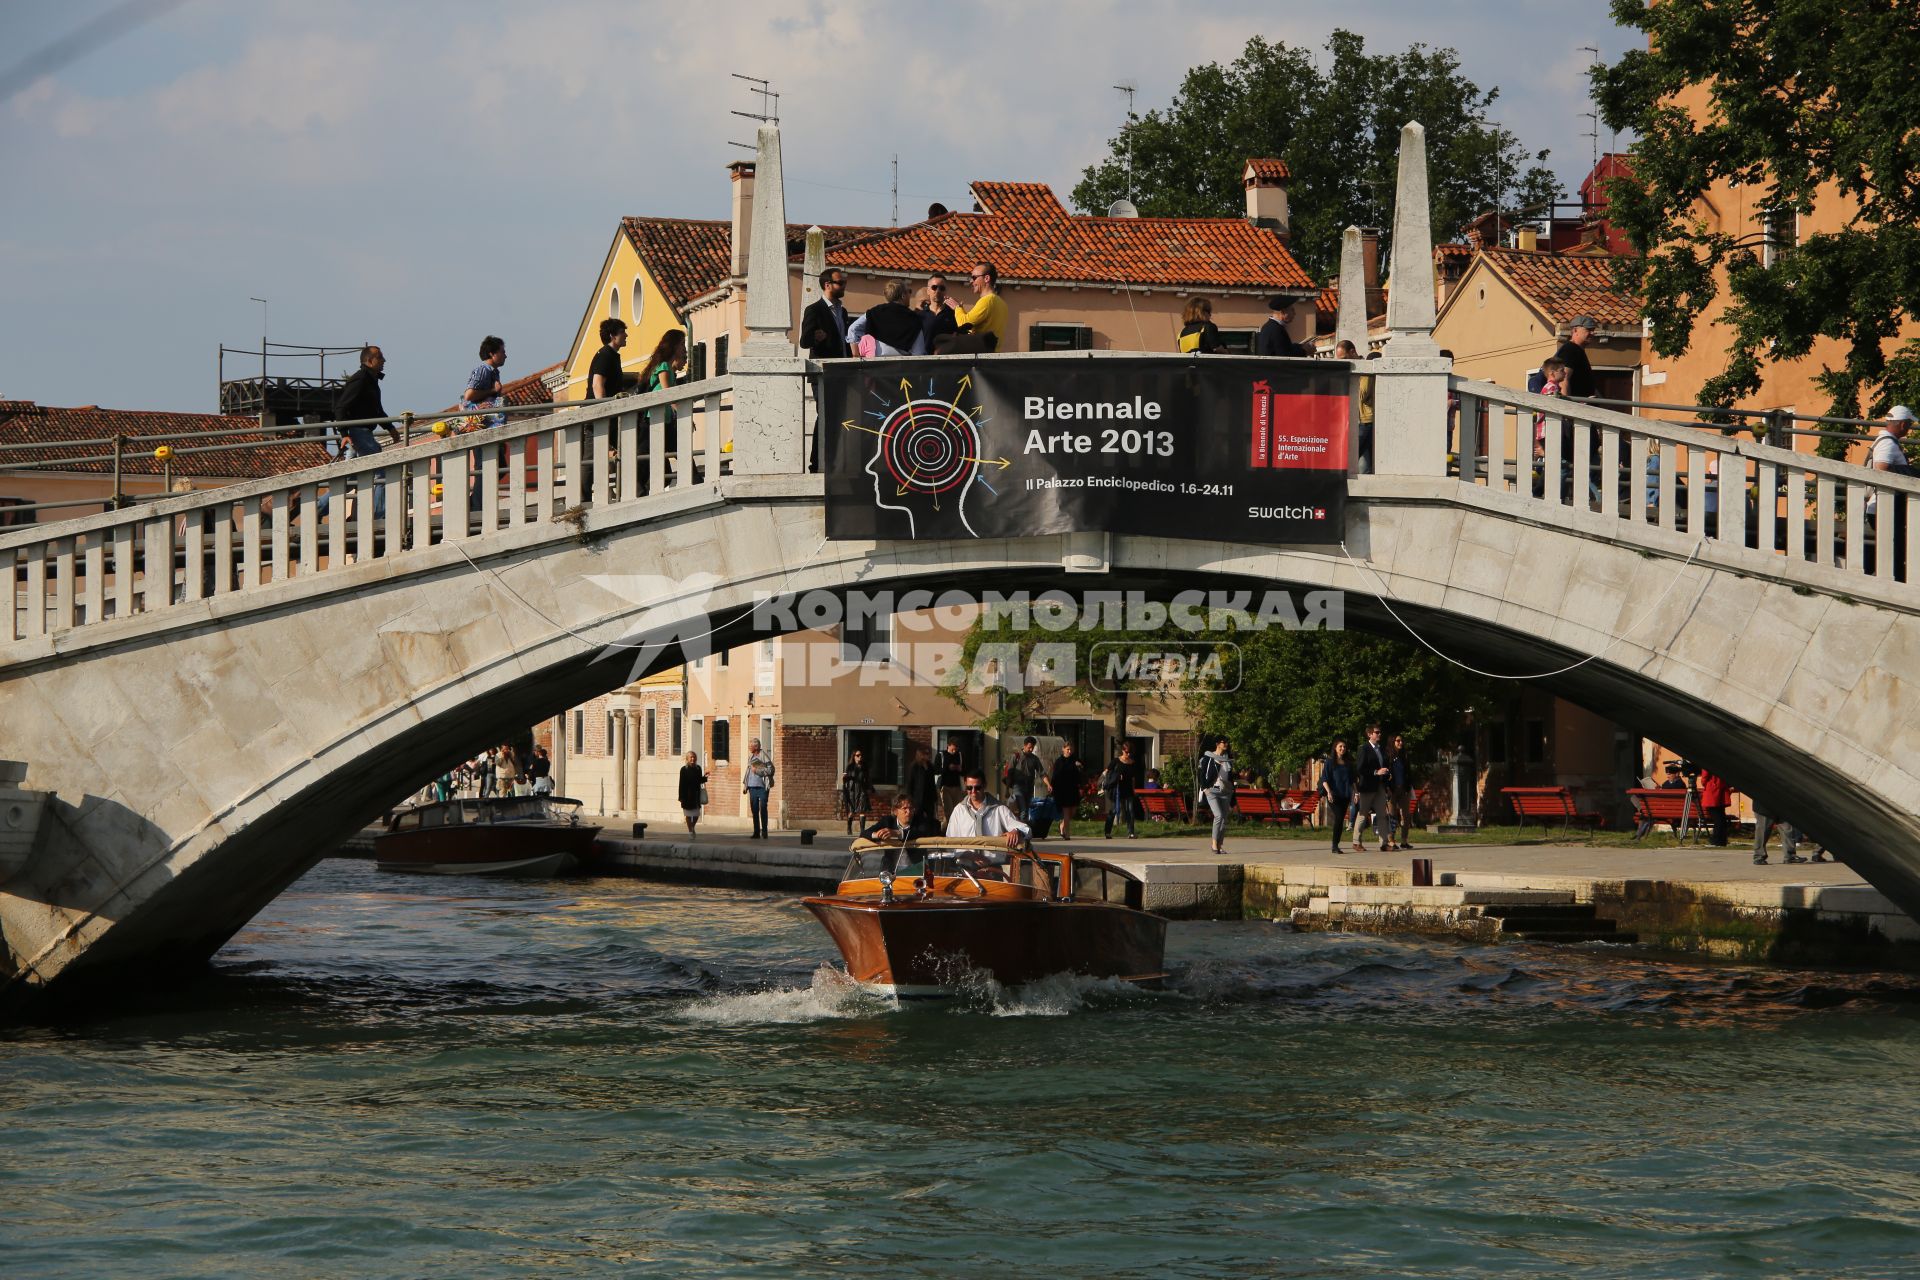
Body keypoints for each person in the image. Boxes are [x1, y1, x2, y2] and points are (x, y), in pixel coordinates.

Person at [332, 345, 399, 521]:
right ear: (369, 360)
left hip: (361, 432)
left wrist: (390, 428)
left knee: (349, 479)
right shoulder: (361, 379)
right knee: (381, 472)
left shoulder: (370, 380)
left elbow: (376, 410)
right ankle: (378, 516)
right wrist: (344, 433)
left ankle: (317, 510)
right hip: (359, 432)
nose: (384, 361)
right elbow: (341, 407)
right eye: (380, 357)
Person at [1865, 405, 1914, 578]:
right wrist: (1911, 473)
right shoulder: (1887, 443)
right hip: (1884, 506)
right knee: (1895, 546)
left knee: (1890, 544)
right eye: (1909, 424)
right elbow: (1881, 469)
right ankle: (1894, 580)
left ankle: (1877, 574)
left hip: (1882, 506)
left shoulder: (1886, 441)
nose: (1909, 428)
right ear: (1902, 424)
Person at [945, 771, 1029, 852]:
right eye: (969, 788)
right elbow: (950, 841)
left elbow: (1026, 829)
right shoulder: (959, 810)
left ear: (984, 785)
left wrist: (1016, 831)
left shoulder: (999, 809)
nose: (973, 791)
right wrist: (965, 855)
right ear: (965, 785)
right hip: (964, 864)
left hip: (995, 865)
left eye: (977, 787)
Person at [640, 328, 689, 457]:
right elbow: (668, 394)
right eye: (682, 344)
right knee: (674, 452)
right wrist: (683, 414)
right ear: (674, 346)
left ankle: (694, 476)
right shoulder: (664, 367)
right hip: (655, 418)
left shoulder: (668, 368)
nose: (684, 348)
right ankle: (694, 477)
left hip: (663, 417)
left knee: (662, 456)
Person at [848, 279, 927, 356]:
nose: (910, 295)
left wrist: (856, 354)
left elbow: (853, 329)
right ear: (903, 295)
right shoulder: (913, 318)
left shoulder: (874, 312)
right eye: (909, 291)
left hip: (876, 365)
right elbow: (918, 353)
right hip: (902, 366)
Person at [946, 261, 1007, 352]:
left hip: (981, 358)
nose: (971, 281)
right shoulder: (1002, 303)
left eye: (974, 278)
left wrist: (957, 308)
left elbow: (964, 324)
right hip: (993, 355)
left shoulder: (987, 301)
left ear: (986, 278)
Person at [1352, 724, 1391, 854]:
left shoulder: (1381, 749)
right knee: (1363, 813)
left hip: (1380, 786)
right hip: (1367, 787)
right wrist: (1376, 772)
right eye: (1377, 732)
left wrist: (1385, 773)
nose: (1379, 734)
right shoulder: (1364, 749)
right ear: (1369, 734)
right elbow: (1360, 768)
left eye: (1380, 732)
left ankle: (1384, 843)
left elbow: (1384, 764)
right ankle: (1356, 842)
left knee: (1382, 815)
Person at [1195, 736, 1235, 855]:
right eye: (1224, 742)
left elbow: (1230, 776)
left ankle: (1219, 845)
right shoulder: (1209, 757)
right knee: (1218, 816)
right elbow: (1202, 774)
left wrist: (1232, 789)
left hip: (1226, 792)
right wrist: (1205, 788)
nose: (1226, 744)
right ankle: (1213, 844)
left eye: (1227, 742)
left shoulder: (1228, 759)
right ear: (1218, 744)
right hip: (1212, 791)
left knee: (1224, 819)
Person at [801, 268, 850, 359]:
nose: (844, 286)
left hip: (844, 366)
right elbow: (804, 342)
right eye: (840, 283)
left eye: (845, 282)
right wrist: (815, 337)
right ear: (827, 285)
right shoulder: (814, 310)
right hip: (825, 367)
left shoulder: (843, 311)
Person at [463, 335, 508, 429]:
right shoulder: (483, 370)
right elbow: (468, 395)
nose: (505, 356)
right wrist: (493, 390)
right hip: (478, 422)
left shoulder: (493, 372)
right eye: (502, 352)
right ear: (492, 353)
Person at [1320, 739, 1355, 854]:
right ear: (1335, 748)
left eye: (1344, 747)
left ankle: (1336, 844)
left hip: (1345, 795)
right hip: (1333, 795)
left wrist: (1356, 793)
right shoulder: (1329, 762)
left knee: (1339, 820)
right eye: (1340, 746)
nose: (1343, 749)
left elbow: (1352, 780)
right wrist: (1329, 792)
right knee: (1339, 817)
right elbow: (1324, 779)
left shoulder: (1348, 763)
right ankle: (1335, 845)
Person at [1551, 315, 1598, 399]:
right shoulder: (1570, 349)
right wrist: (1567, 406)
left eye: (1593, 330)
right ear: (1575, 330)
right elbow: (1563, 379)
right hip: (1575, 408)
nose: (1593, 333)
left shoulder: (1576, 350)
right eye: (1588, 330)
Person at [1049, 742, 1087, 840]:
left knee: (1073, 811)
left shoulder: (1075, 760)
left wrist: (1079, 766)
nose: (1069, 751)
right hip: (1063, 789)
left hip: (1073, 788)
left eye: (1071, 749)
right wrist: (1052, 787)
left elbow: (1082, 770)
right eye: (1068, 749)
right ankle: (1067, 834)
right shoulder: (1059, 761)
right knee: (1066, 811)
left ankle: (1062, 825)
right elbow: (1055, 776)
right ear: (1063, 749)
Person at [1101, 743, 1138, 839]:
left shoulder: (1132, 763)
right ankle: (1107, 832)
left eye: (1130, 752)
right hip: (1116, 789)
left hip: (1128, 789)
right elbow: (1107, 773)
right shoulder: (1115, 761)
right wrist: (1116, 776)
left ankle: (1131, 832)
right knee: (1113, 810)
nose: (1128, 754)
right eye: (1127, 752)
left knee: (1130, 811)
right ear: (1122, 750)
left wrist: (1133, 789)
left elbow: (1133, 778)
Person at [588, 317, 632, 400]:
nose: (626, 335)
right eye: (622, 332)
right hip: (597, 410)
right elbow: (597, 385)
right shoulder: (605, 355)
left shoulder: (610, 354)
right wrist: (604, 409)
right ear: (612, 336)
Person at [902, 745, 940, 837]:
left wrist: (935, 797)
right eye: (926, 754)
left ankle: (930, 834)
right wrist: (909, 798)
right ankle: (916, 834)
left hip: (929, 797)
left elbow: (932, 783)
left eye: (928, 754)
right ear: (920, 755)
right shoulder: (914, 767)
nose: (928, 756)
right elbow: (910, 784)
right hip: (917, 798)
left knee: (930, 817)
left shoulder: (930, 766)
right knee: (917, 817)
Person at [1003, 736, 1043, 820]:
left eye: (1032, 747)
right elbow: (1009, 774)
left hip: (1029, 787)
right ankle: (1022, 831)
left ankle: (1023, 828)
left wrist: (1049, 784)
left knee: (1027, 810)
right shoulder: (1016, 757)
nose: (1031, 749)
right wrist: (1007, 790)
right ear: (1024, 746)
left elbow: (1042, 772)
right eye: (1029, 747)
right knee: (1023, 810)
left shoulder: (1034, 759)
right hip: (1018, 787)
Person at [1387, 733, 1415, 851]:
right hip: (1392, 790)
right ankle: (1391, 841)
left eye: (1401, 741)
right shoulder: (1388, 756)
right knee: (1392, 816)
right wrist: (1387, 788)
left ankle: (1404, 840)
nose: (1400, 743)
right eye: (1398, 741)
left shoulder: (1404, 756)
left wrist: (1408, 786)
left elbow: (1408, 772)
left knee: (1406, 816)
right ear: (1393, 742)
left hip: (1404, 789)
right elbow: (1386, 774)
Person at [743, 736, 775, 838]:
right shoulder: (751, 757)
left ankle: (764, 831)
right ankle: (756, 832)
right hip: (752, 787)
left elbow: (771, 770)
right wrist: (745, 785)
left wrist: (757, 771)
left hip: (762, 787)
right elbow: (748, 772)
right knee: (754, 810)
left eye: (750, 745)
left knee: (763, 808)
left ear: (756, 747)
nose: (749, 747)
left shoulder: (763, 756)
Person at [919, 274, 959, 353]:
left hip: (946, 361)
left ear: (946, 291)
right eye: (934, 287)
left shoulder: (954, 315)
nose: (938, 291)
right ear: (928, 290)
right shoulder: (920, 316)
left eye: (942, 288)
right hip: (924, 361)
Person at [839, 747, 873, 835]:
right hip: (852, 791)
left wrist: (870, 788)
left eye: (861, 755)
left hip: (862, 790)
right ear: (854, 756)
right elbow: (845, 780)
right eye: (858, 755)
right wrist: (844, 778)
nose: (860, 757)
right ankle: (849, 827)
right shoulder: (850, 767)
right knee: (851, 812)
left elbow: (868, 778)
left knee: (862, 810)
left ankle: (862, 830)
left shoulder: (865, 766)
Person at [1697, 767, 1733, 847]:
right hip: (1721, 790)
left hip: (1712, 790)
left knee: (1718, 818)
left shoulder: (1707, 761)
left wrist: (1704, 782)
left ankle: (1716, 839)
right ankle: (1721, 839)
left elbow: (1704, 777)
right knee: (1721, 817)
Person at [936, 739, 967, 819]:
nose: (954, 751)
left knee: (959, 809)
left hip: (957, 787)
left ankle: (953, 828)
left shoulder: (960, 755)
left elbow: (965, 770)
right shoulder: (941, 755)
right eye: (952, 749)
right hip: (945, 787)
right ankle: (948, 829)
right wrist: (947, 768)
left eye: (955, 750)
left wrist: (960, 769)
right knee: (948, 811)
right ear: (948, 746)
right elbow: (936, 770)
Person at [678, 750, 707, 835]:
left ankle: (692, 827)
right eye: (691, 757)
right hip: (687, 795)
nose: (693, 759)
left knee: (696, 814)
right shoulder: (683, 769)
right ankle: (690, 831)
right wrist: (680, 797)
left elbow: (699, 780)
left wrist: (705, 777)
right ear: (687, 759)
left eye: (694, 757)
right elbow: (681, 783)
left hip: (696, 794)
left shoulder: (698, 768)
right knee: (687, 814)